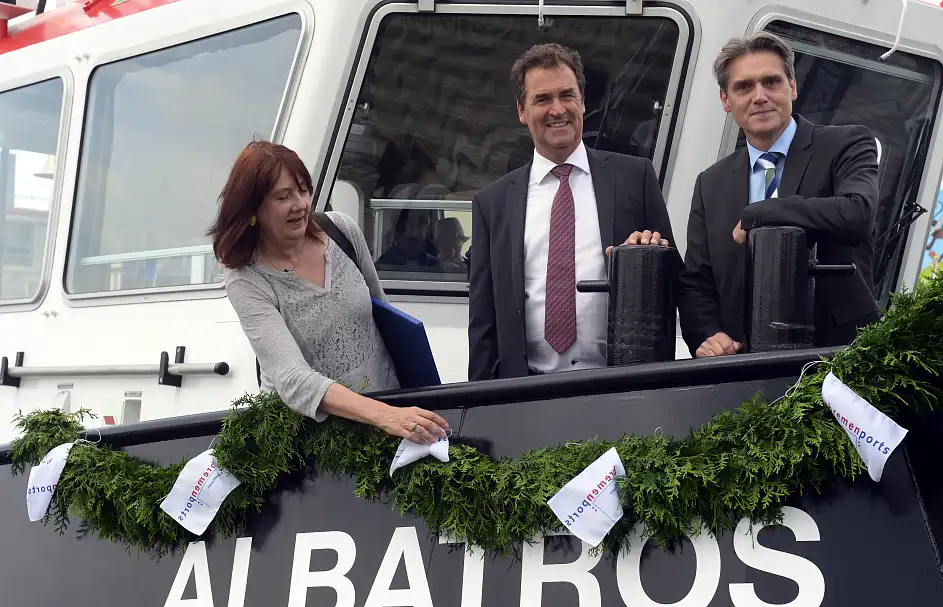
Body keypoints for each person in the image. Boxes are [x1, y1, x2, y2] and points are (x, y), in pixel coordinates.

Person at [208, 140, 447, 445]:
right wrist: (384, 416)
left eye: (303, 190)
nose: (301, 204)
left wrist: (407, 402)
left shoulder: (342, 231)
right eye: (283, 196)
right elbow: (293, 380)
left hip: (391, 418)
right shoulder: (245, 278)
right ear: (252, 208)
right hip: (317, 444)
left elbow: (385, 316)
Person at [468, 43, 676, 381]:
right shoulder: (492, 203)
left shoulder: (635, 178)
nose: (557, 109)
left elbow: (673, 278)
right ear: (522, 110)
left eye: (567, 95)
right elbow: (483, 320)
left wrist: (652, 254)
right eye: (542, 99)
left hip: (621, 387)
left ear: (582, 101)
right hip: (526, 391)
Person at [677, 32, 880, 358]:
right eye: (744, 87)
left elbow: (856, 213)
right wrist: (707, 334)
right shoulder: (710, 183)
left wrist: (762, 212)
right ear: (726, 101)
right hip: (740, 370)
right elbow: (697, 282)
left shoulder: (847, 144)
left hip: (840, 360)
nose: (759, 96)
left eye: (771, 82)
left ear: (793, 87)